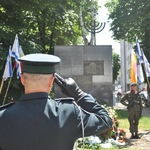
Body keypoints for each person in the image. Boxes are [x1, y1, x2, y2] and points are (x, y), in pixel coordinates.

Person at [0, 53, 112, 150]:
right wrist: (79, 94)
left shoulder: (2, 117)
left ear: (23, 79)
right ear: (51, 81)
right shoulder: (69, 113)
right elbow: (105, 120)